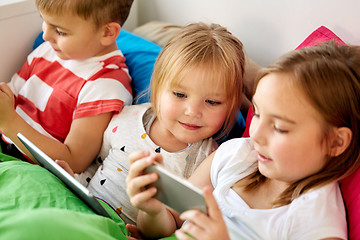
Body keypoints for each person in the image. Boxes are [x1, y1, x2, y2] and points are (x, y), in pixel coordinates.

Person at [126, 41, 360, 239]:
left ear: (336, 142)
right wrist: (152, 209)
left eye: (279, 127)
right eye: (257, 113)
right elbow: (167, 224)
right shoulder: (235, 155)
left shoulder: (316, 219)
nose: (255, 134)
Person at [57, 22, 245, 225]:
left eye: (212, 102)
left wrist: (152, 221)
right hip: (80, 208)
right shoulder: (125, 118)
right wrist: (70, 181)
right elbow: (96, 166)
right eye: (180, 94)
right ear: (157, 88)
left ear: (231, 108)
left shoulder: (208, 162)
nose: (192, 111)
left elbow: (177, 223)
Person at [0, 0, 133, 173]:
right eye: (44, 21)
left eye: (60, 31)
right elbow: (11, 97)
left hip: (32, 168)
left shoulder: (106, 85)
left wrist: (9, 122)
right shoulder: (47, 50)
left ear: (107, 32)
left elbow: (74, 162)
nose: (45, 35)